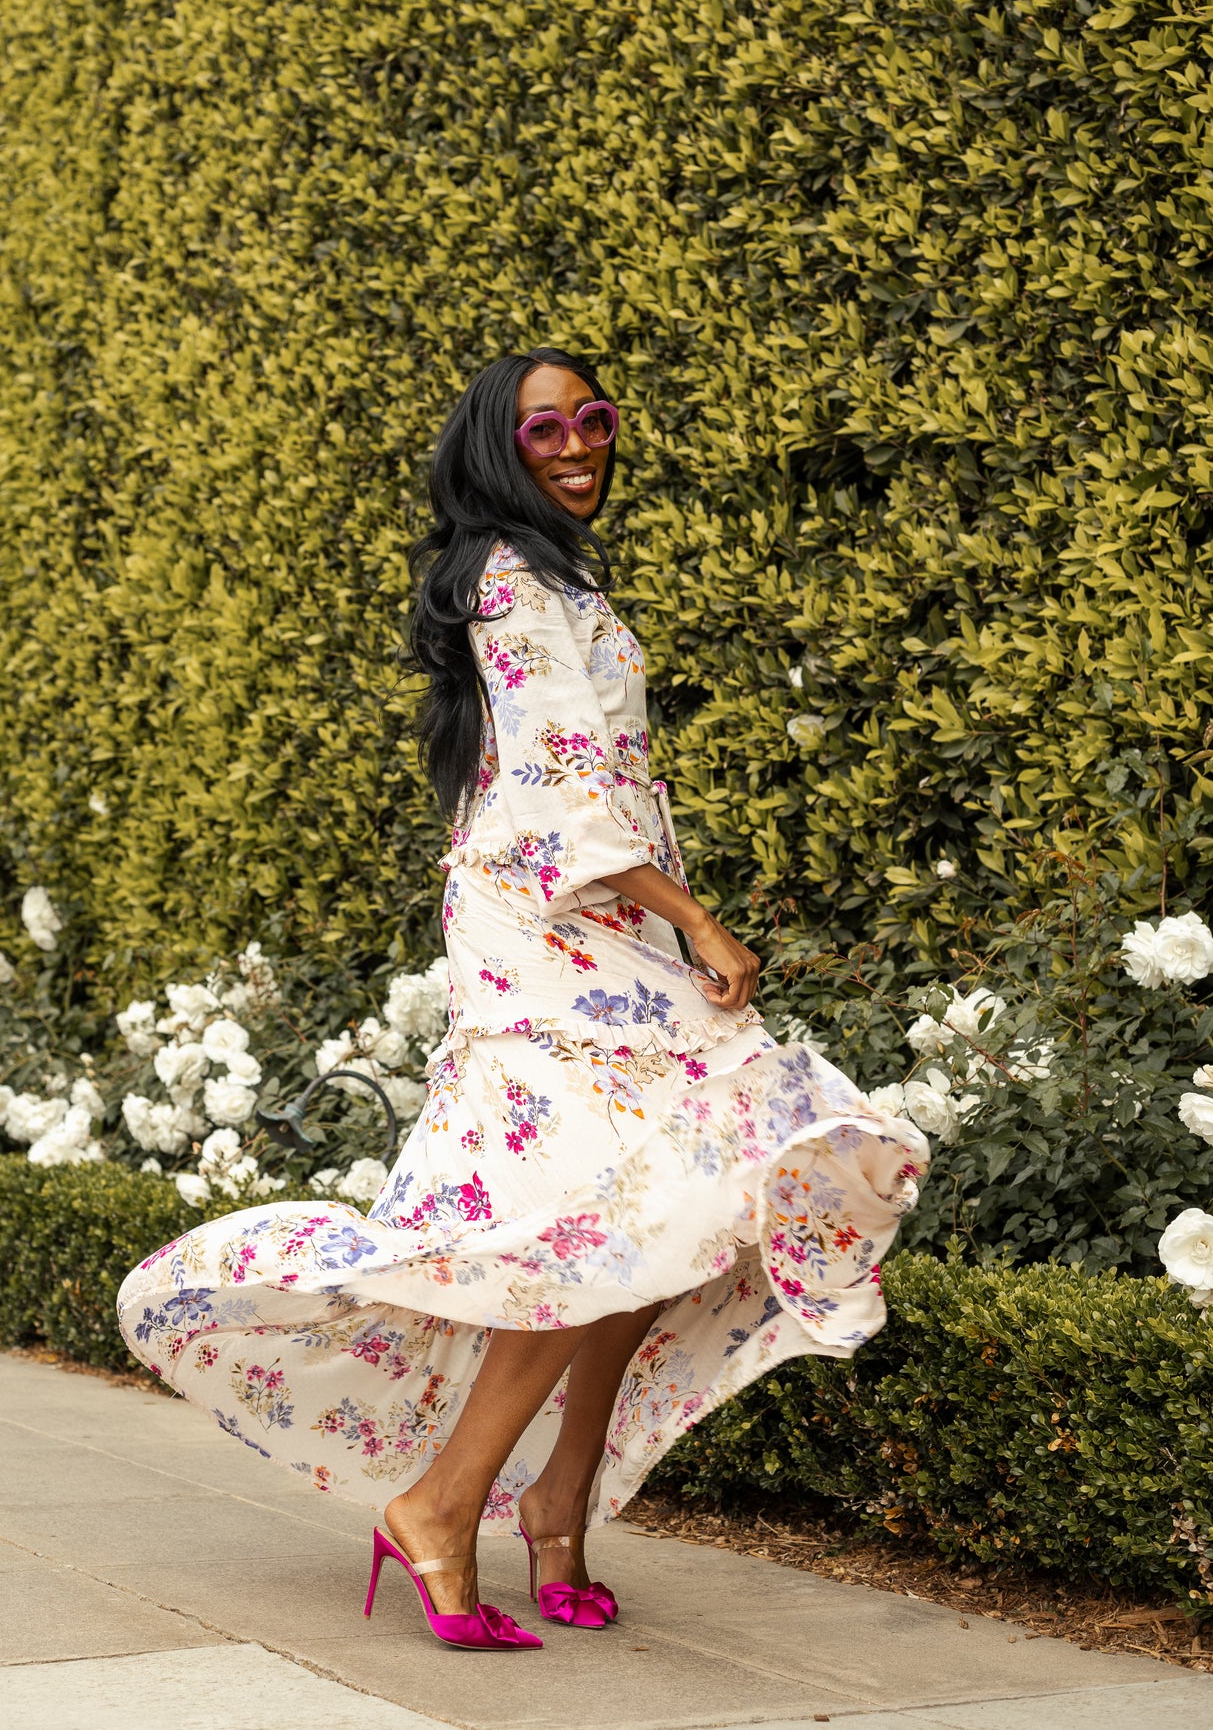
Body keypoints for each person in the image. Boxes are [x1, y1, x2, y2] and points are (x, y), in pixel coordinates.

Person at [118, 347, 928, 1652]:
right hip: (552, 936)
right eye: (543, 425)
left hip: (608, 931)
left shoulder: (563, 576)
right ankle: (439, 1505)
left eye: (592, 419)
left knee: (656, 1206)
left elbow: (600, 784)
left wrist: (666, 924)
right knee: (584, 1224)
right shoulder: (505, 578)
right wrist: (697, 918)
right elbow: (557, 795)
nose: (575, 442)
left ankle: (555, 1505)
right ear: (495, 446)